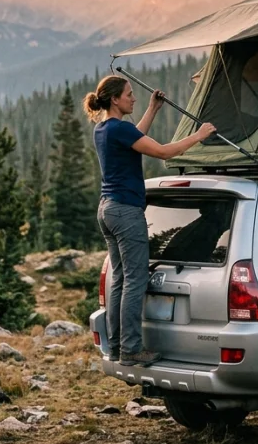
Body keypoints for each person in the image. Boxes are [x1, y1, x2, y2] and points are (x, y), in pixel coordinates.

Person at [84, 75, 216, 367]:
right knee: (135, 280)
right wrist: (199, 135)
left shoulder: (104, 129)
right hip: (126, 211)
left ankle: (118, 347)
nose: (133, 98)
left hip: (107, 210)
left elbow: (135, 138)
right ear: (115, 99)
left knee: (120, 279)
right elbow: (162, 151)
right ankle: (132, 349)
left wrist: (153, 109)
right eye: (129, 95)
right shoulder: (120, 129)